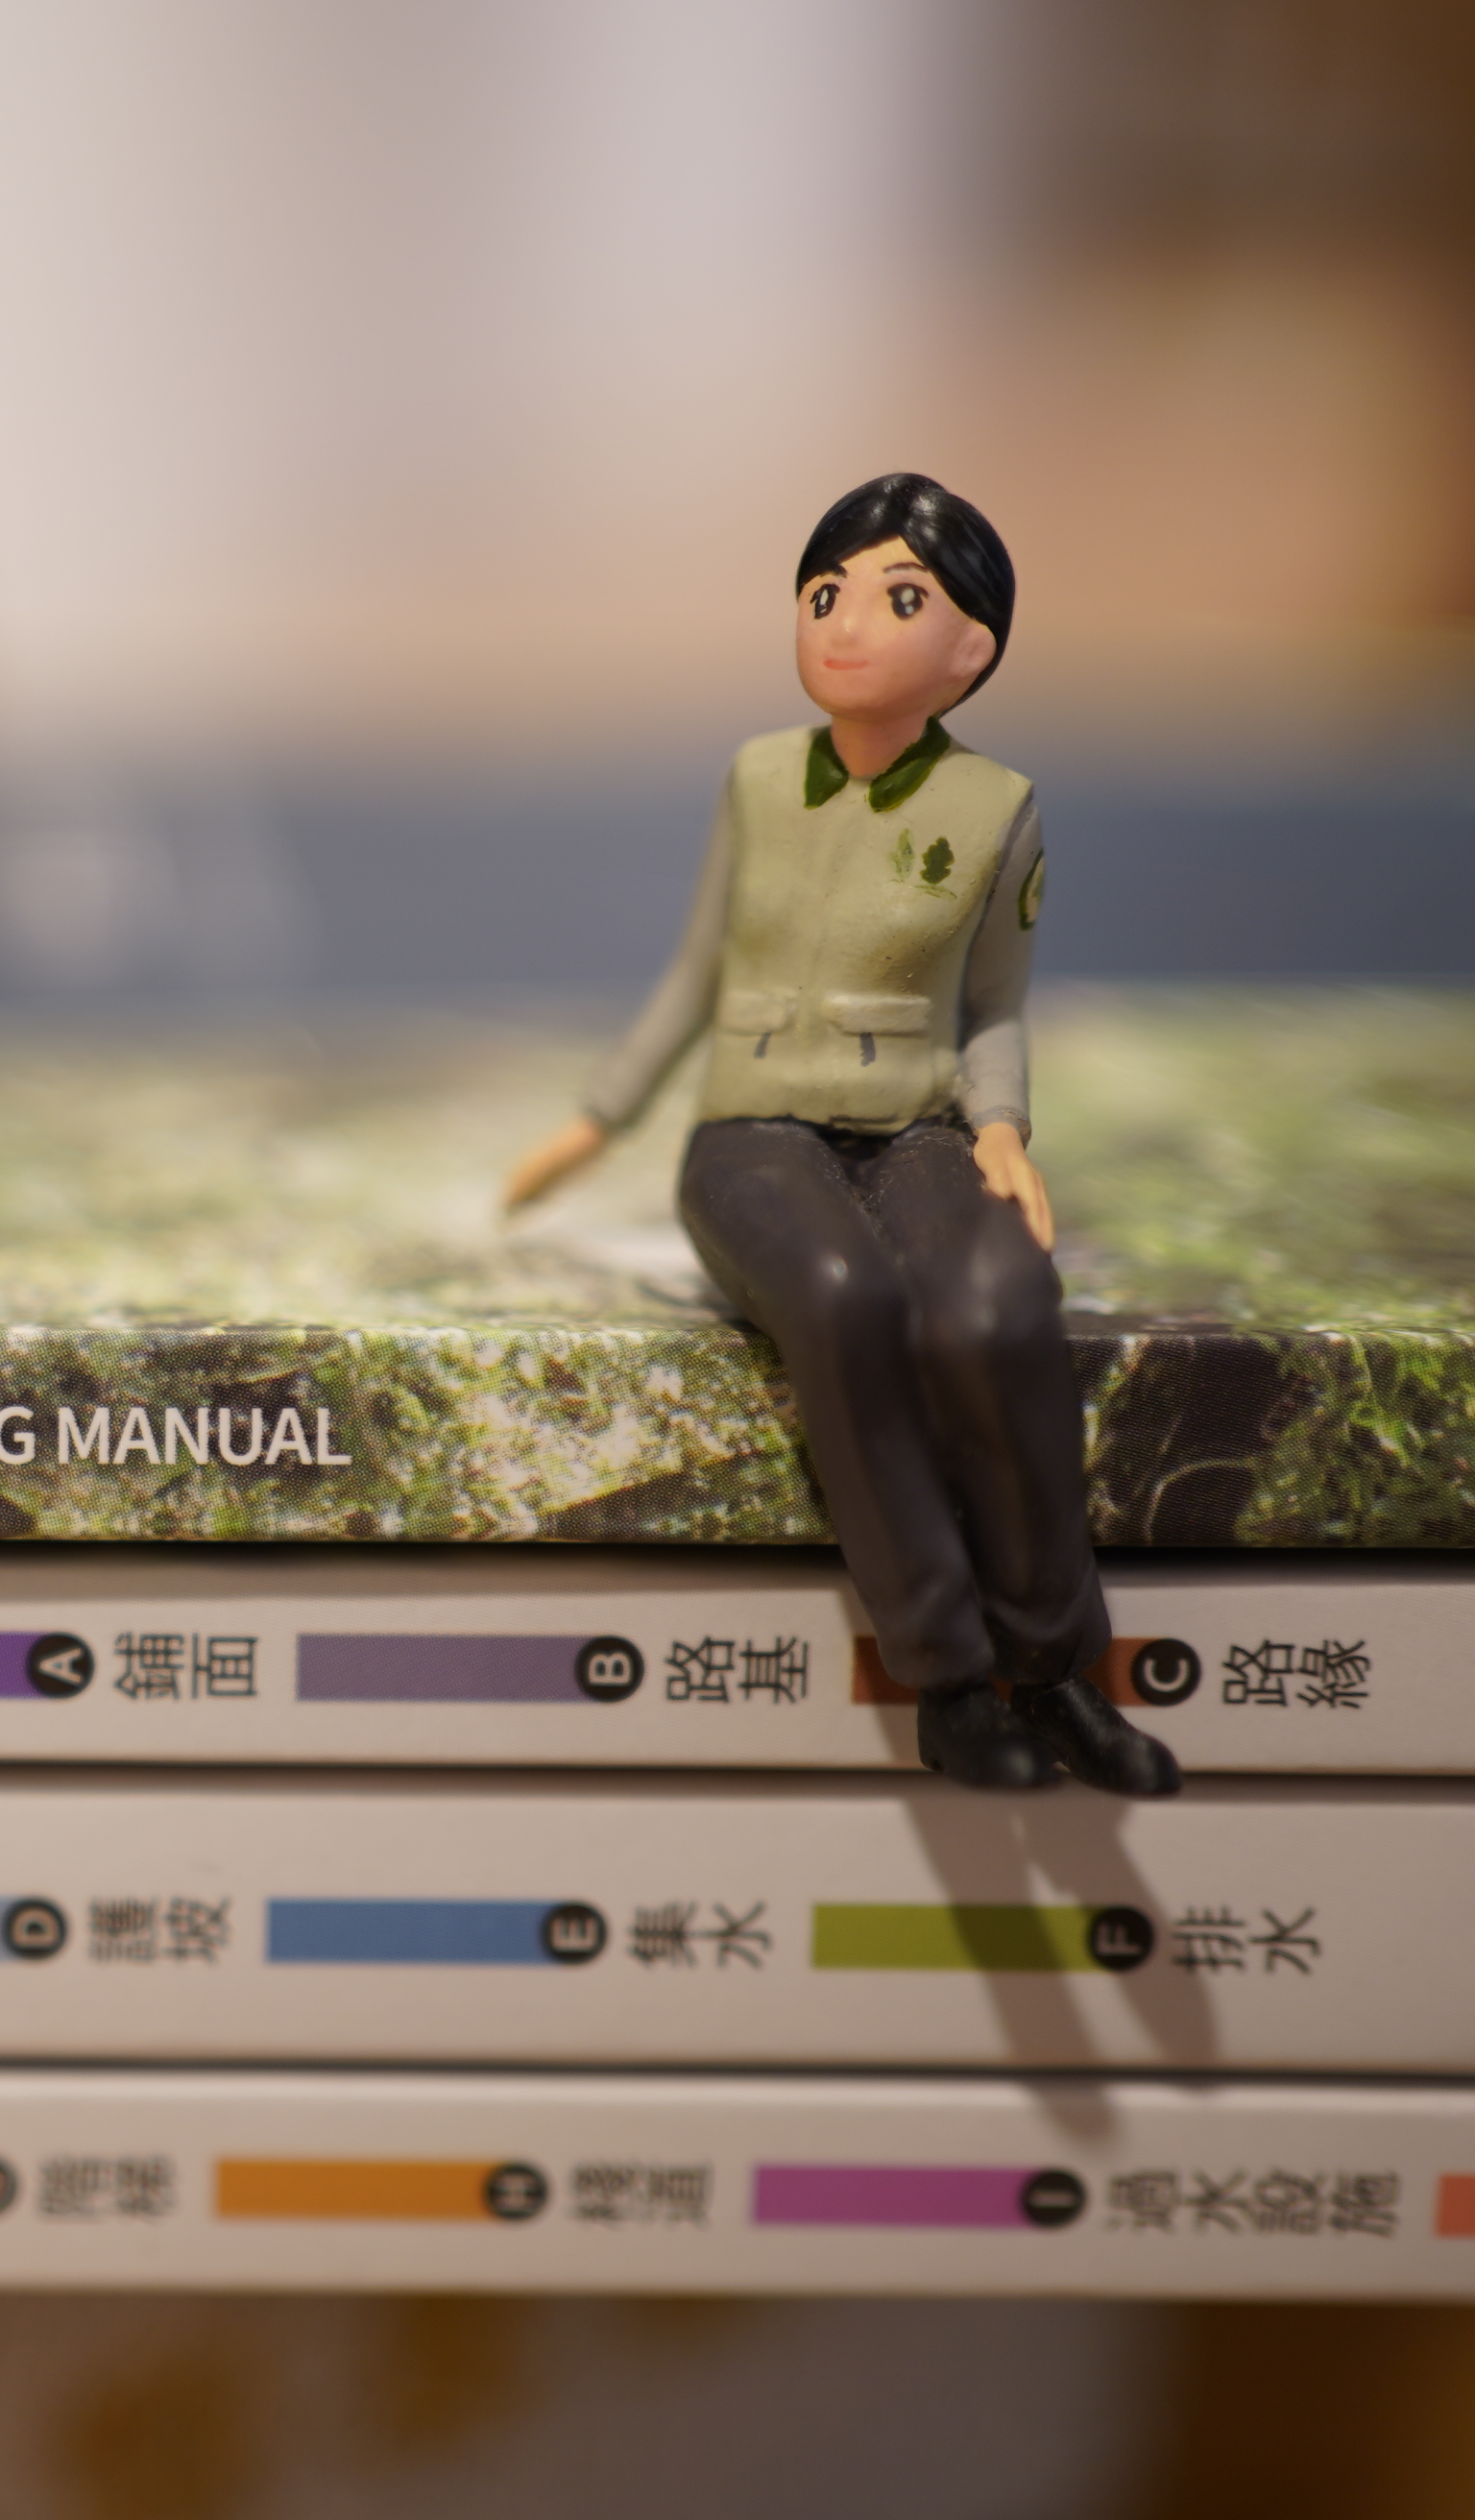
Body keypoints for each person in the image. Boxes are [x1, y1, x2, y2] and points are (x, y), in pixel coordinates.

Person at [501, 472, 1178, 1797]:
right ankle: (948, 1678)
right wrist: (600, 1117)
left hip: (917, 1126)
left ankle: (1055, 1670)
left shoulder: (996, 809)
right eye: (825, 594)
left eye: (899, 599)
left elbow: (993, 1004)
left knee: (995, 1302)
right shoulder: (758, 780)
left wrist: (1001, 1130)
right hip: (752, 1131)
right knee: (841, 1296)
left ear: (972, 647)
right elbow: (697, 966)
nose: (847, 625)